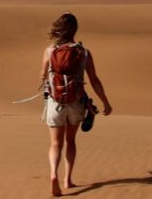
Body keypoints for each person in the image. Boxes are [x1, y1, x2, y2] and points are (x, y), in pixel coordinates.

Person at [39, 12, 112, 197]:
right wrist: (105, 102)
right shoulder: (84, 52)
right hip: (77, 102)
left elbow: (41, 75)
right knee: (70, 141)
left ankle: (53, 174)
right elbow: (94, 80)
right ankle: (67, 179)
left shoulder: (49, 51)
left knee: (55, 143)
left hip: (55, 102)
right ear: (75, 29)